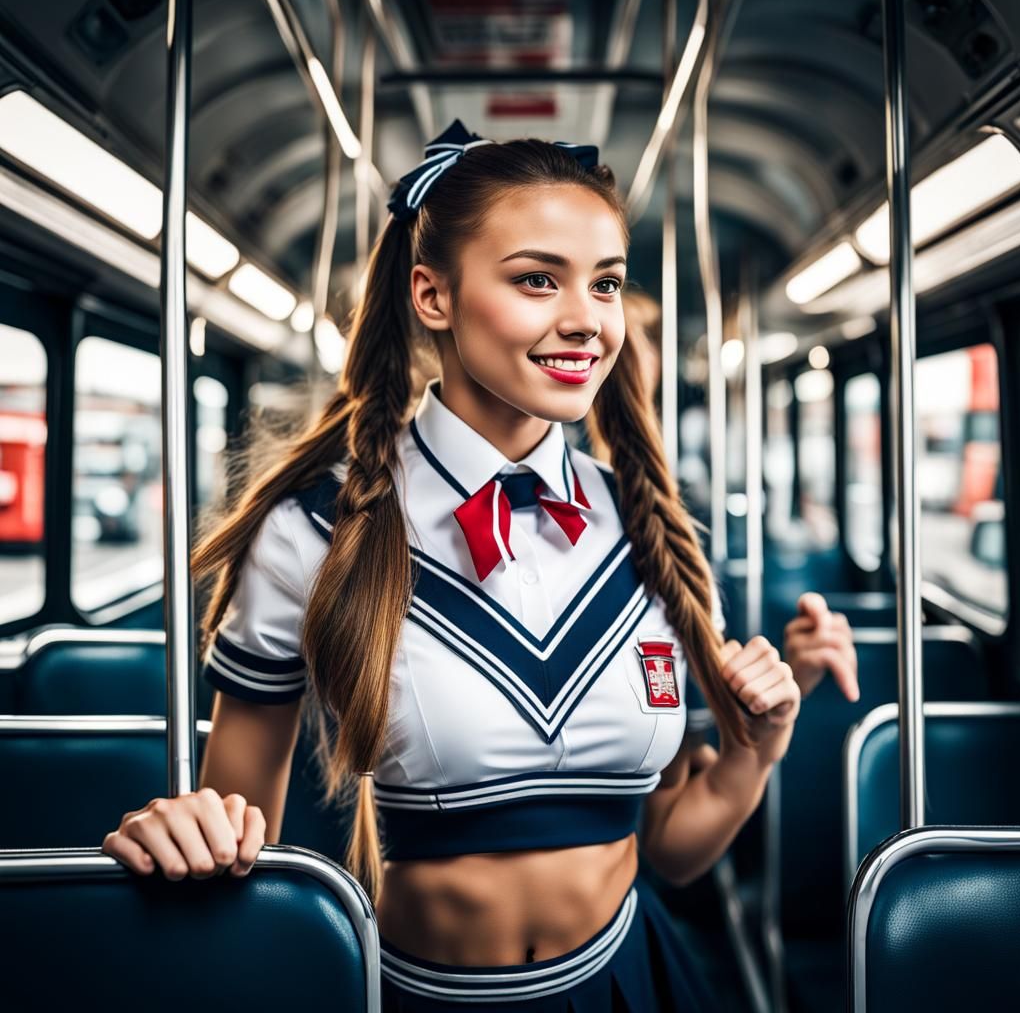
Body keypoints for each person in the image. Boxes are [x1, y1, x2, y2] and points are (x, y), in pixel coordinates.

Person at [102, 120, 804, 1011]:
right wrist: (193, 831)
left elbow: (669, 847)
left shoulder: (651, 529)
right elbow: (243, 836)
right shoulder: (315, 529)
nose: (587, 319)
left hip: (632, 981)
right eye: (537, 279)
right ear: (432, 295)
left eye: (606, 282)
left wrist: (756, 754)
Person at [603, 287, 860, 708]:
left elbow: (725, 712)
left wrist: (788, 680)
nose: (649, 358)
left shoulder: (659, 495)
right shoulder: (592, 496)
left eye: (651, 342)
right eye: (640, 342)